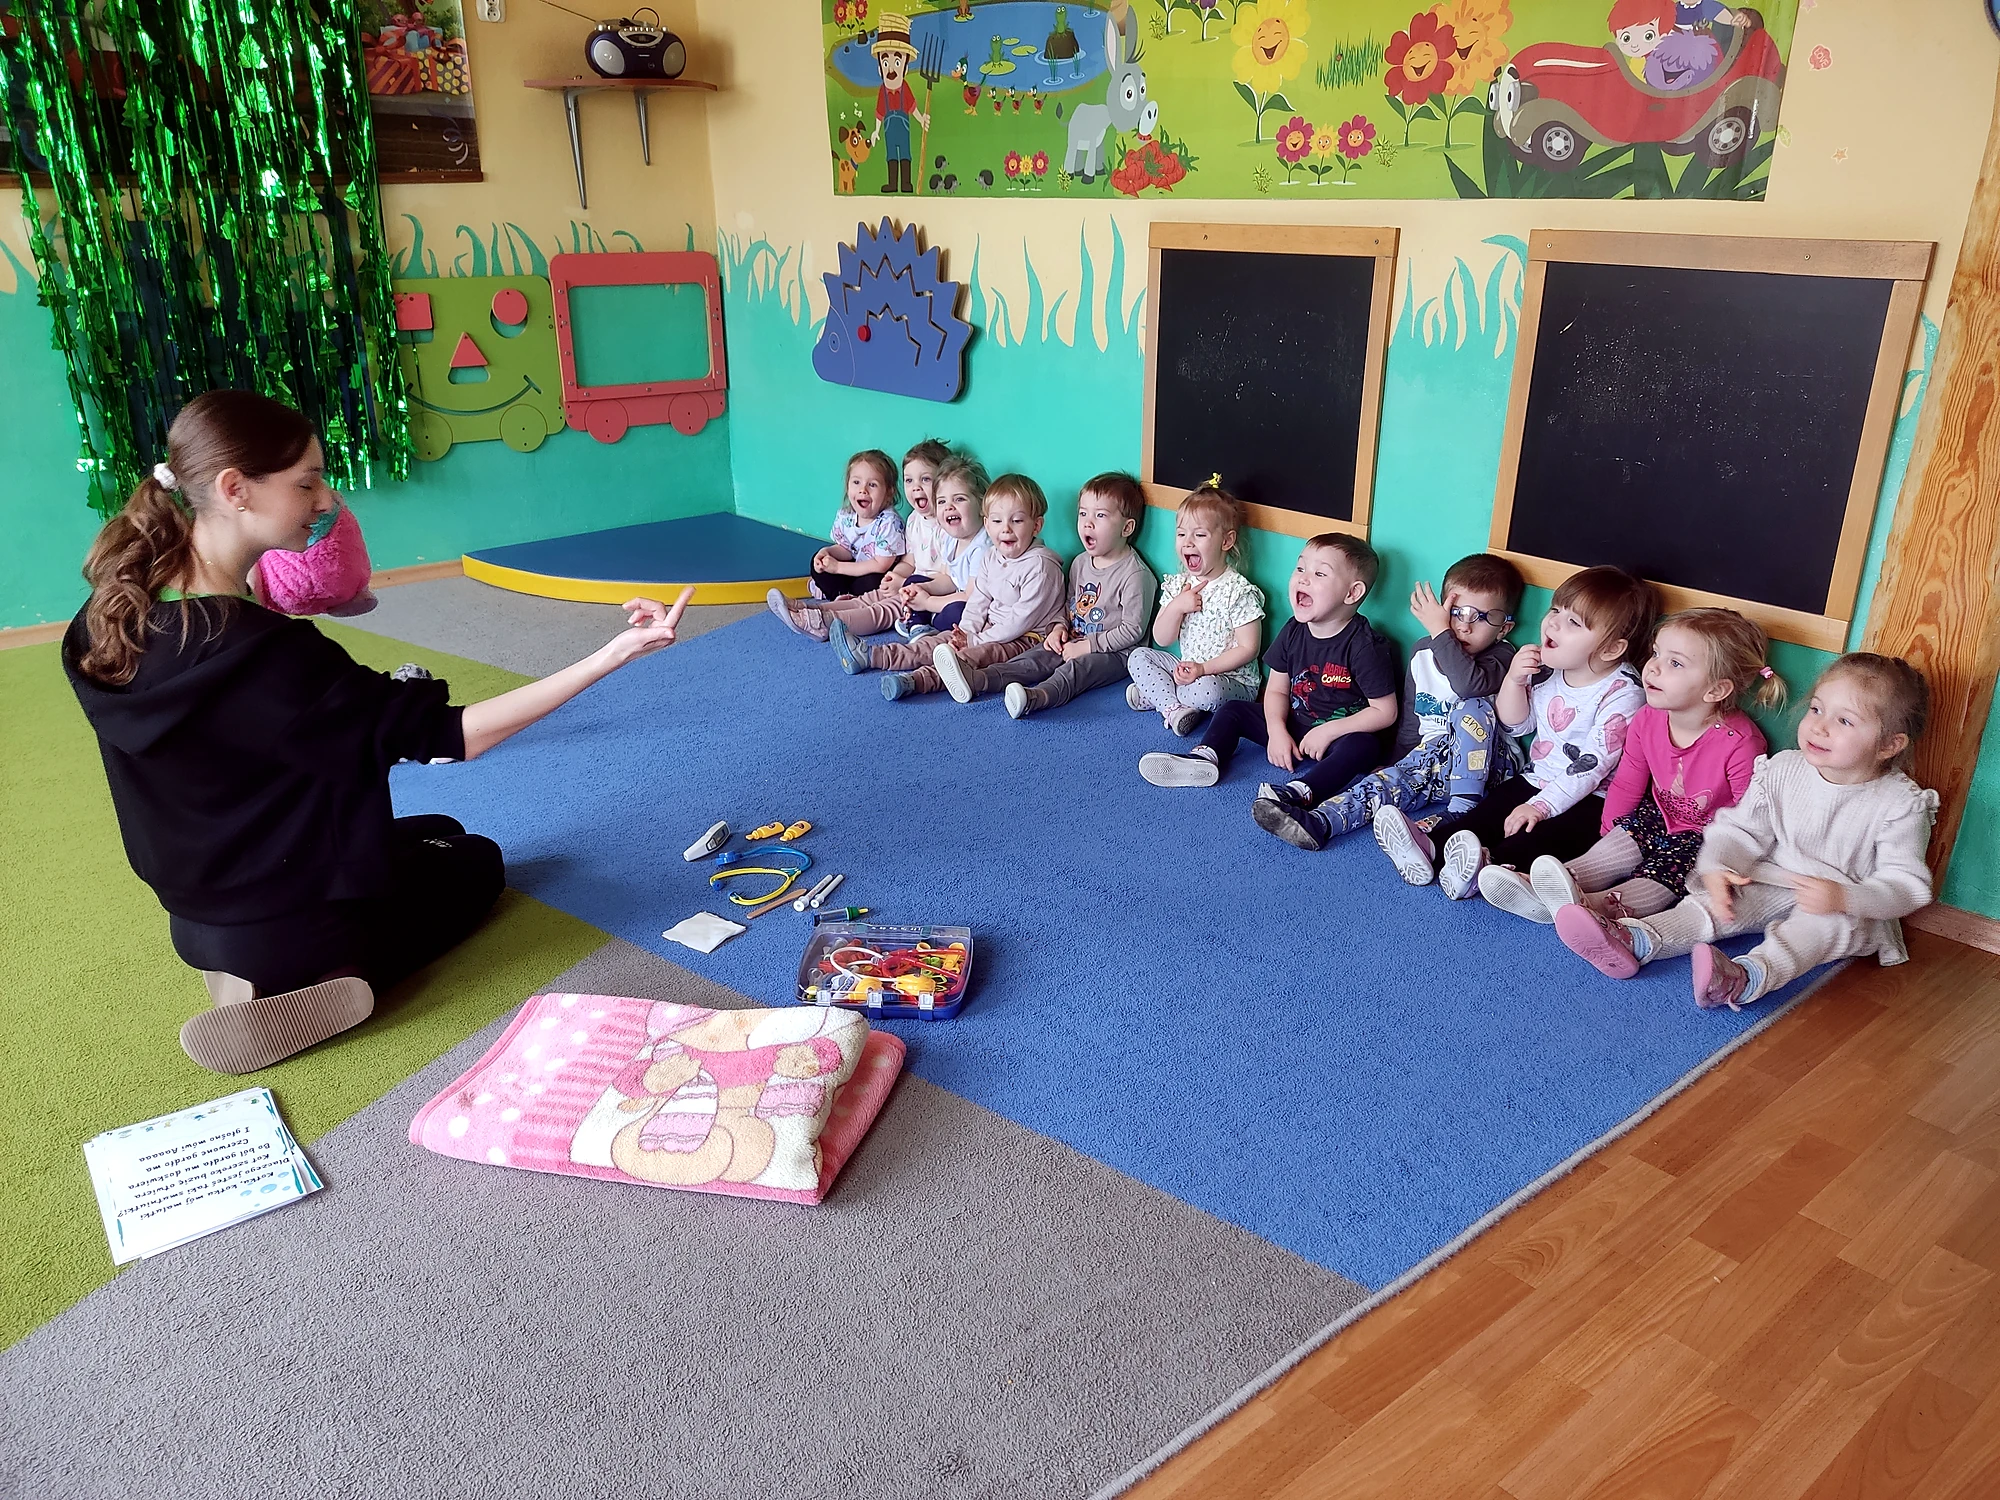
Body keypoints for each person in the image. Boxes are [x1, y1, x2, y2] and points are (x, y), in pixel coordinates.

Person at [63, 390, 684, 1073]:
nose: (326, 501)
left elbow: (253, 722)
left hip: (201, 901)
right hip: (289, 916)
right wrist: (611, 655)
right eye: (306, 483)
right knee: (476, 859)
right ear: (235, 489)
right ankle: (331, 979)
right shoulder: (266, 655)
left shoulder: (113, 611)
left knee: (433, 826)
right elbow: (456, 736)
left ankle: (238, 961)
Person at [1553, 654, 1936, 1010]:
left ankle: (1745, 978)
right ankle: (1637, 938)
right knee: (1715, 904)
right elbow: (1739, 829)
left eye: (1844, 721)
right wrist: (1719, 866)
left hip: (1845, 902)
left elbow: (1907, 886)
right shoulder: (1783, 769)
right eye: (1817, 709)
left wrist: (1844, 897)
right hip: (1775, 877)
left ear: (1889, 745)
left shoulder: (1900, 804)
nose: (1819, 726)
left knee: (1817, 930)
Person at [1374, 564, 1656, 899]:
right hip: (1539, 777)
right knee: (1491, 811)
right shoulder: (1552, 669)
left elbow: (1590, 768)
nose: (1553, 623)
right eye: (1556, 610)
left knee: (1538, 835)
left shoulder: (1624, 694)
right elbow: (1517, 724)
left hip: (1591, 796)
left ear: (1610, 649)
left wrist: (1540, 807)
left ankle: (1488, 866)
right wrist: (1514, 680)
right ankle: (1431, 849)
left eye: (1573, 622)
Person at [1481, 607, 1779, 923]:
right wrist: (1606, 835)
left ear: (1716, 690)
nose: (1653, 667)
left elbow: (1750, 818)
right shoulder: (1648, 718)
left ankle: (1599, 906)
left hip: (1708, 837)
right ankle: (1555, 882)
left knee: (1669, 867)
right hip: (1657, 815)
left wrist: (1723, 862)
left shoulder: (1741, 744)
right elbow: (1628, 782)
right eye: (1656, 653)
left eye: (1675, 663)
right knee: (1620, 840)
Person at [1255, 552, 1523, 850]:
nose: (1464, 626)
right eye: (1456, 612)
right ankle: (1321, 822)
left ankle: (1462, 811)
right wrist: (1394, 764)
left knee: (1471, 708)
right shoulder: (1423, 653)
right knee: (1380, 783)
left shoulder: (1503, 656)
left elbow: (1469, 685)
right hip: (1431, 763)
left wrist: (1441, 631)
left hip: (1487, 769)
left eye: (1483, 617)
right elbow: (1412, 719)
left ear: (1503, 629)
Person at [1140, 533, 1397, 793]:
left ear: (1352, 593)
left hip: (1339, 736)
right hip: (1295, 723)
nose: (1303, 578)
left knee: (1363, 746)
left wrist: (1328, 732)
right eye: (1300, 568)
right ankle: (1205, 757)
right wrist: (1276, 730)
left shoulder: (1365, 646)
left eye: (1320, 574)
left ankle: (1301, 792)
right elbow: (1276, 690)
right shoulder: (1294, 630)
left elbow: (1385, 712)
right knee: (1233, 710)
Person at [930, 471, 1158, 716]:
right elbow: (1068, 606)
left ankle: (1037, 697)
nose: (1087, 523)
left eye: (1100, 515)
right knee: (1034, 658)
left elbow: (1133, 631)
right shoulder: (1081, 563)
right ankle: (978, 680)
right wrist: (1058, 627)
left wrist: (1088, 646)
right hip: (1074, 638)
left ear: (1127, 527)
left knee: (1075, 670)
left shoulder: (1135, 575)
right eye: (1083, 513)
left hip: (1115, 653)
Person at [840, 473, 1064, 699]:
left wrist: (974, 641)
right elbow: (979, 600)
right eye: (997, 521)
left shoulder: (1041, 567)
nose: (1005, 529)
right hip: (989, 627)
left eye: (1017, 521)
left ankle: (914, 681)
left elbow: (1019, 621)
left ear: (1036, 526)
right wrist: (965, 632)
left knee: (966, 658)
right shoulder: (991, 556)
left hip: (1024, 639)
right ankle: (873, 655)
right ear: (987, 524)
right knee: (940, 643)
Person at [770, 445, 971, 642]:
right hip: (910, 585)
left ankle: (824, 622)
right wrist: (896, 576)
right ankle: (810, 608)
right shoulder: (914, 520)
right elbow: (910, 561)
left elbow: (949, 579)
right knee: (866, 599)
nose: (916, 487)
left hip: (928, 593)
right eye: (909, 480)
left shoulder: (949, 526)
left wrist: (907, 584)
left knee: (880, 611)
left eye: (925, 479)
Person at [1124, 484, 1266, 736]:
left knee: (1207, 690)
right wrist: (1177, 606)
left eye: (1199, 535)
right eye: (1181, 534)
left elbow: (1249, 648)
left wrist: (1203, 670)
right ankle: (1174, 708)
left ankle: (1161, 696)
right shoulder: (1179, 585)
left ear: (1226, 541)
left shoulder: (1237, 591)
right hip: (1188, 668)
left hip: (1229, 681)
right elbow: (1162, 638)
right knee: (1138, 656)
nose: (1187, 542)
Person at [802, 448, 905, 604]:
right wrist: (827, 553)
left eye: (872, 485)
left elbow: (880, 565)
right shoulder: (846, 516)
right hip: (852, 568)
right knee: (817, 562)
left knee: (874, 582)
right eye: (856, 482)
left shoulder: (890, 523)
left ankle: (837, 594)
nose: (863, 490)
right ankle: (840, 595)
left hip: (874, 573)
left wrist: (838, 568)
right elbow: (846, 549)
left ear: (889, 492)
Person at [869, 13, 929, 195]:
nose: (891, 70)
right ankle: (892, 183)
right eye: (885, 62)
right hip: (889, 130)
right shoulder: (882, 91)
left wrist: (921, 119)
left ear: (905, 67)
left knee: (905, 154)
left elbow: (912, 107)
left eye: (897, 61)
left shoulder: (905, 89)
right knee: (891, 156)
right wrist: (876, 131)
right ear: (879, 68)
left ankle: (906, 183)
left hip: (903, 128)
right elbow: (879, 113)